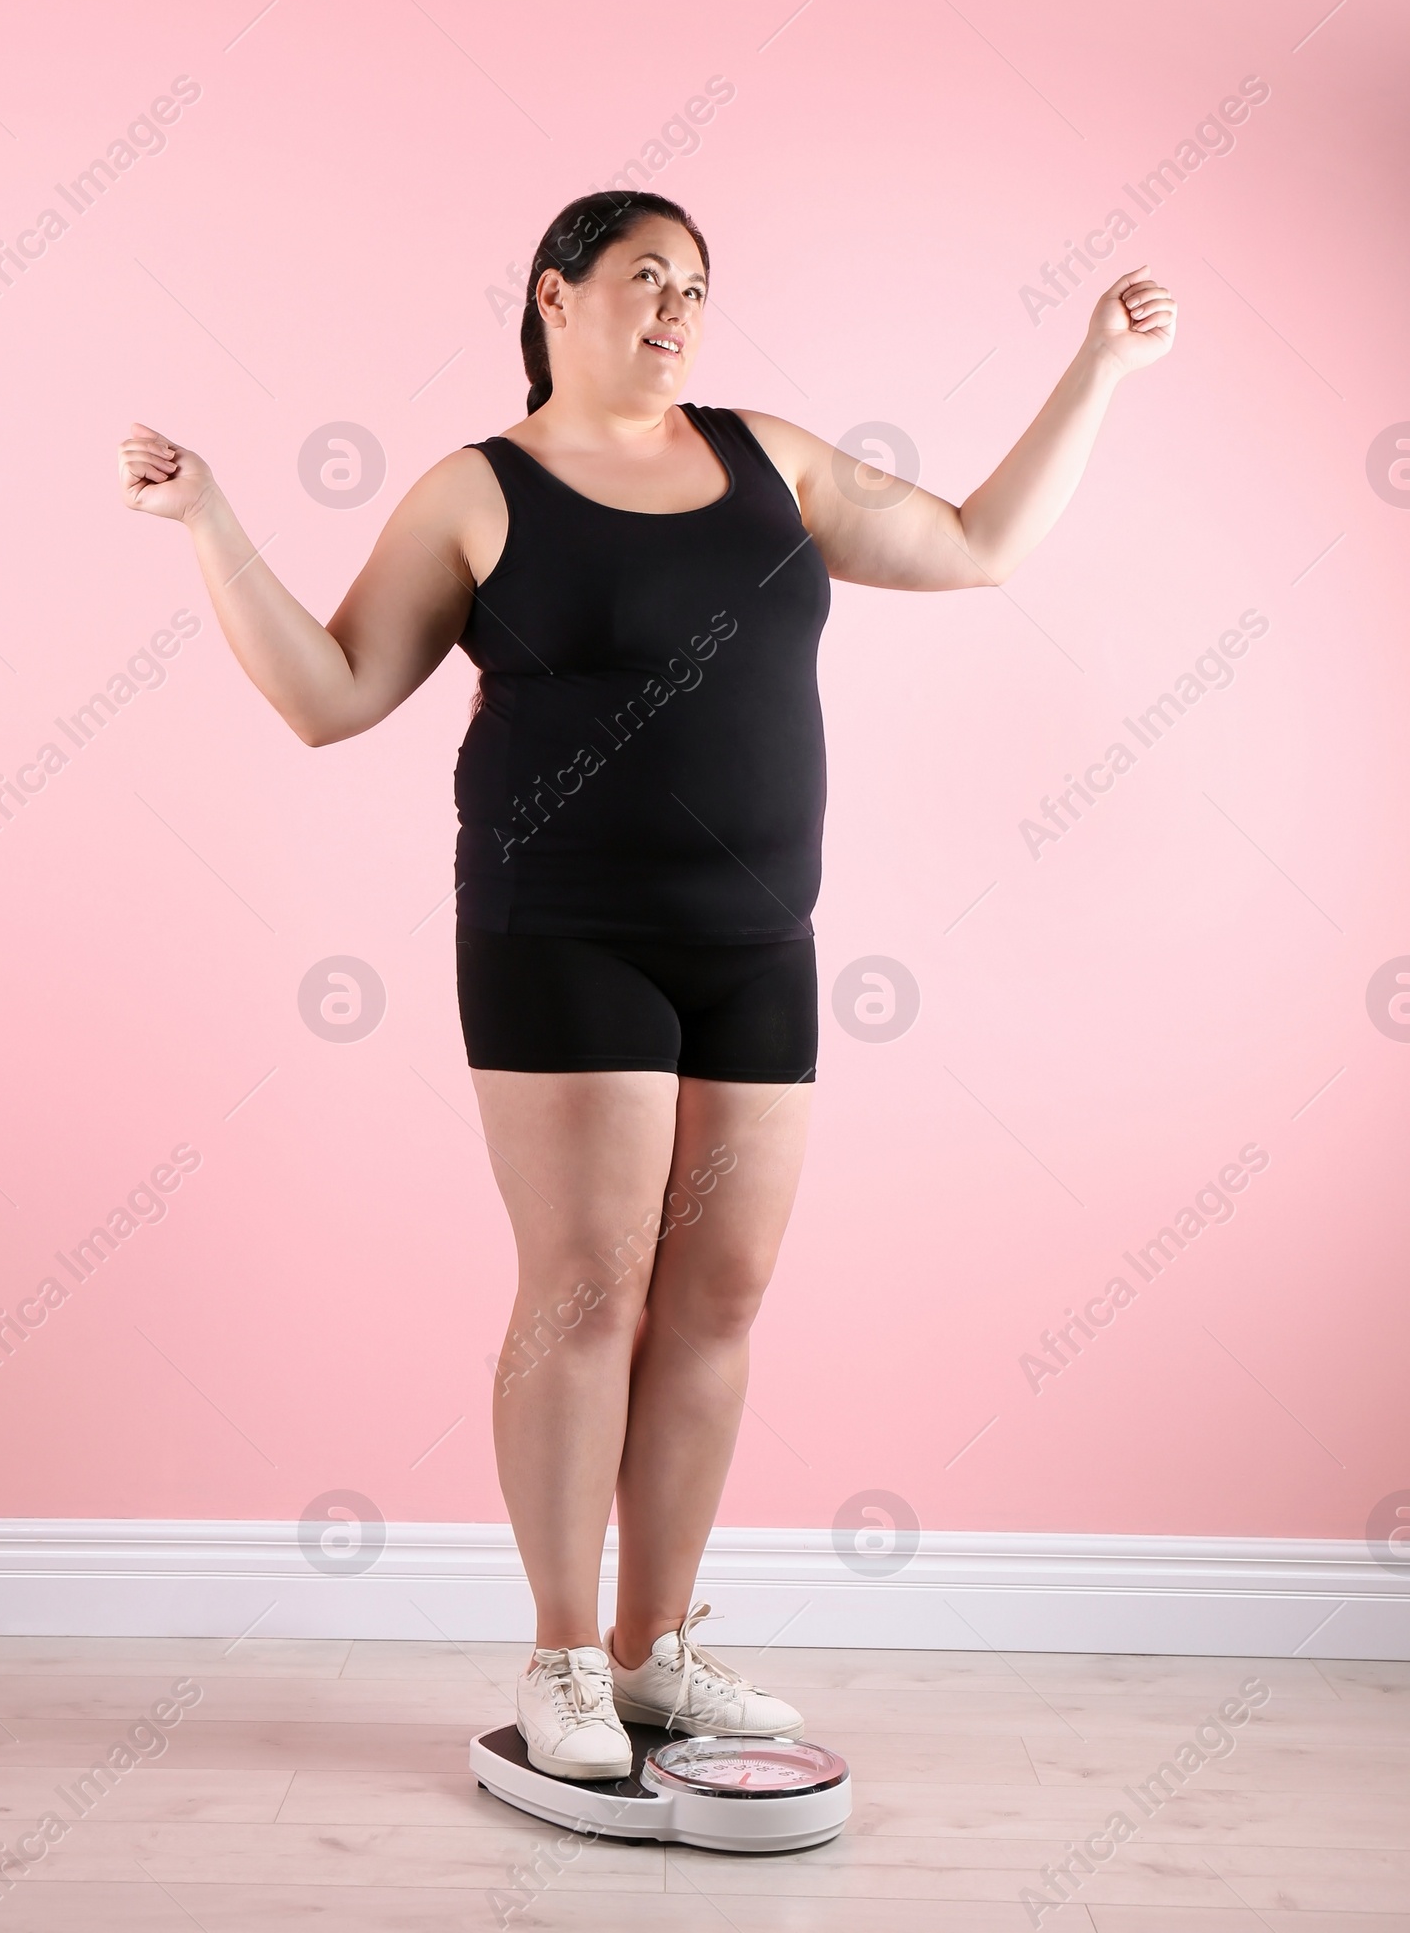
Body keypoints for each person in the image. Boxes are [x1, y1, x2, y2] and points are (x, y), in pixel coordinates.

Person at [117, 189, 1176, 1781]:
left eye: (696, 286)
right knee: (589, 1288)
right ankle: (561, 1658)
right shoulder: (479, 493)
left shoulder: (774, 460)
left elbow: (974, 546)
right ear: (558, 296)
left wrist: (1096, 366)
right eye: (644, 279)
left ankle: (656, 1656)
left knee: (721, 1295)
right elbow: (332, 694)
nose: (678, 309)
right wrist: (212, 520)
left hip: (761, 942)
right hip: (563, 936)